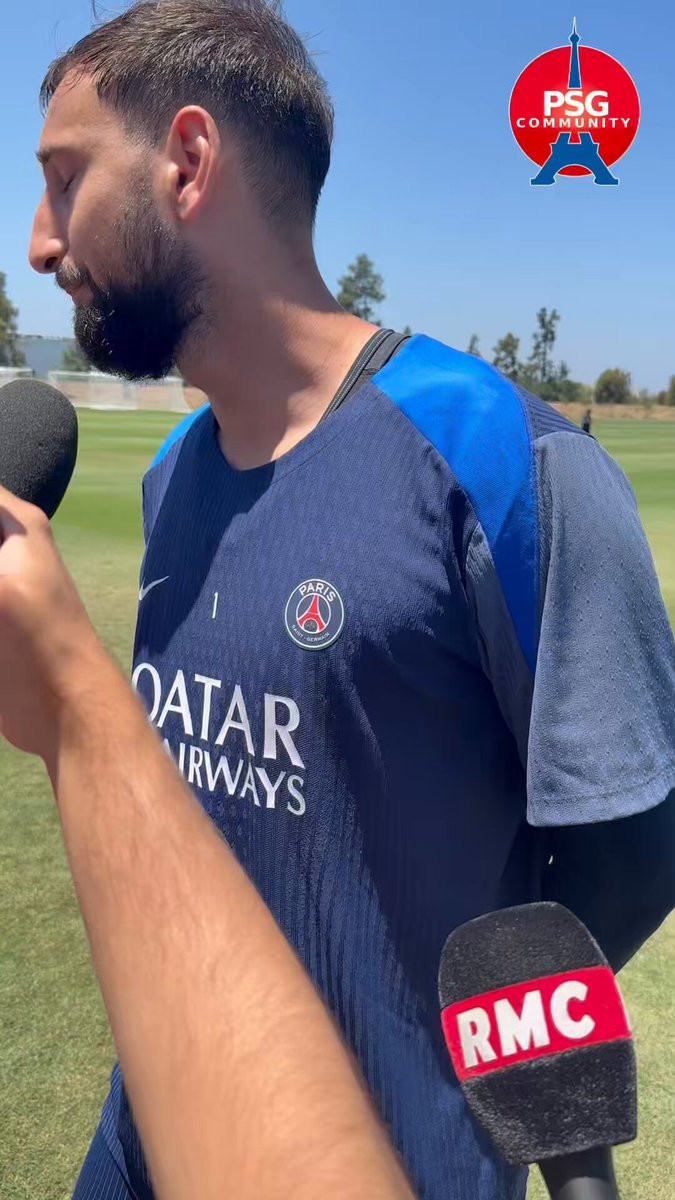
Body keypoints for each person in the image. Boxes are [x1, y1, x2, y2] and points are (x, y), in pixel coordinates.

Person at [28, 3, 675, 1198]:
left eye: (65, 180)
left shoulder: (504, 462)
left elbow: (631, 858)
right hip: (146, 1144)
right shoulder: (174, 475)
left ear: (187, 162)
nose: (38, 240)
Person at [0, 484, 414, 1200]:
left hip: (384, 1138)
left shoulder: (503, 459)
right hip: (149, 1093)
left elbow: (611, 865)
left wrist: (72, 702)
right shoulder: (172, 473)